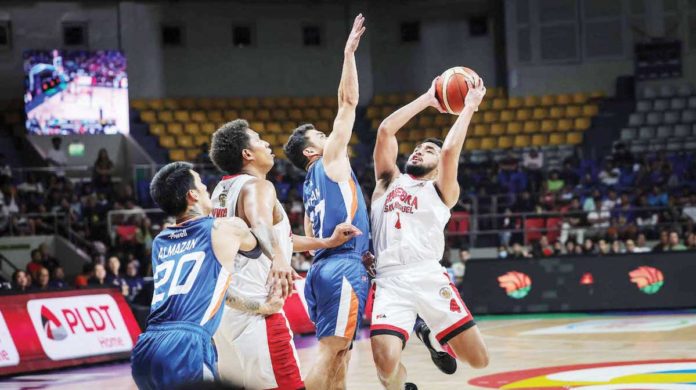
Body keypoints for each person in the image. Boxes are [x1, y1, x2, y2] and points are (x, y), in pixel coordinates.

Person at [208, 119, 359, 389]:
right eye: (258, 139)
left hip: (226, 314)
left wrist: (325, 242)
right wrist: (280, 260)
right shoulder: (258, 186)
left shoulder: (221, 190)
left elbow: (279, 238)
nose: (267, 143)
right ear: (247, 154)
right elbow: (261, 225)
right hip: (258, 310)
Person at [369, 73, 489, 390]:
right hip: (389, 279)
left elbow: (450, 152)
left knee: (478, 360)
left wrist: (469, 108)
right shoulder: (386, 183)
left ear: (437, 167)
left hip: (426, 275)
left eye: (428, 151)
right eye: (418, 148)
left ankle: (429, 330)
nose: (420, 150)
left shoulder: (442, 191)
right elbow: (385, 131)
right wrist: (427, 98)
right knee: (384, 363)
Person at [282, 14, 370, 390]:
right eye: (319, 134)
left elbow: (305, 235)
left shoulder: (307, 187)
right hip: (340, 267)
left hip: (320, 270)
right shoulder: (330, 160)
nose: (327, 134)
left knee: (340, 354)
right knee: (330, 351)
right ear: (309, 149)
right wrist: (349, 54)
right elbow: (348, 102)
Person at [130, 162, 260, 389]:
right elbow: (259, 246)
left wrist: (261, 306)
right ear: (192, 195)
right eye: (202, 185)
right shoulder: (224, 228)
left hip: (147, 345)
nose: (206, 189)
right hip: (186, 343)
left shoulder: (160, 240)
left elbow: (214, 290)